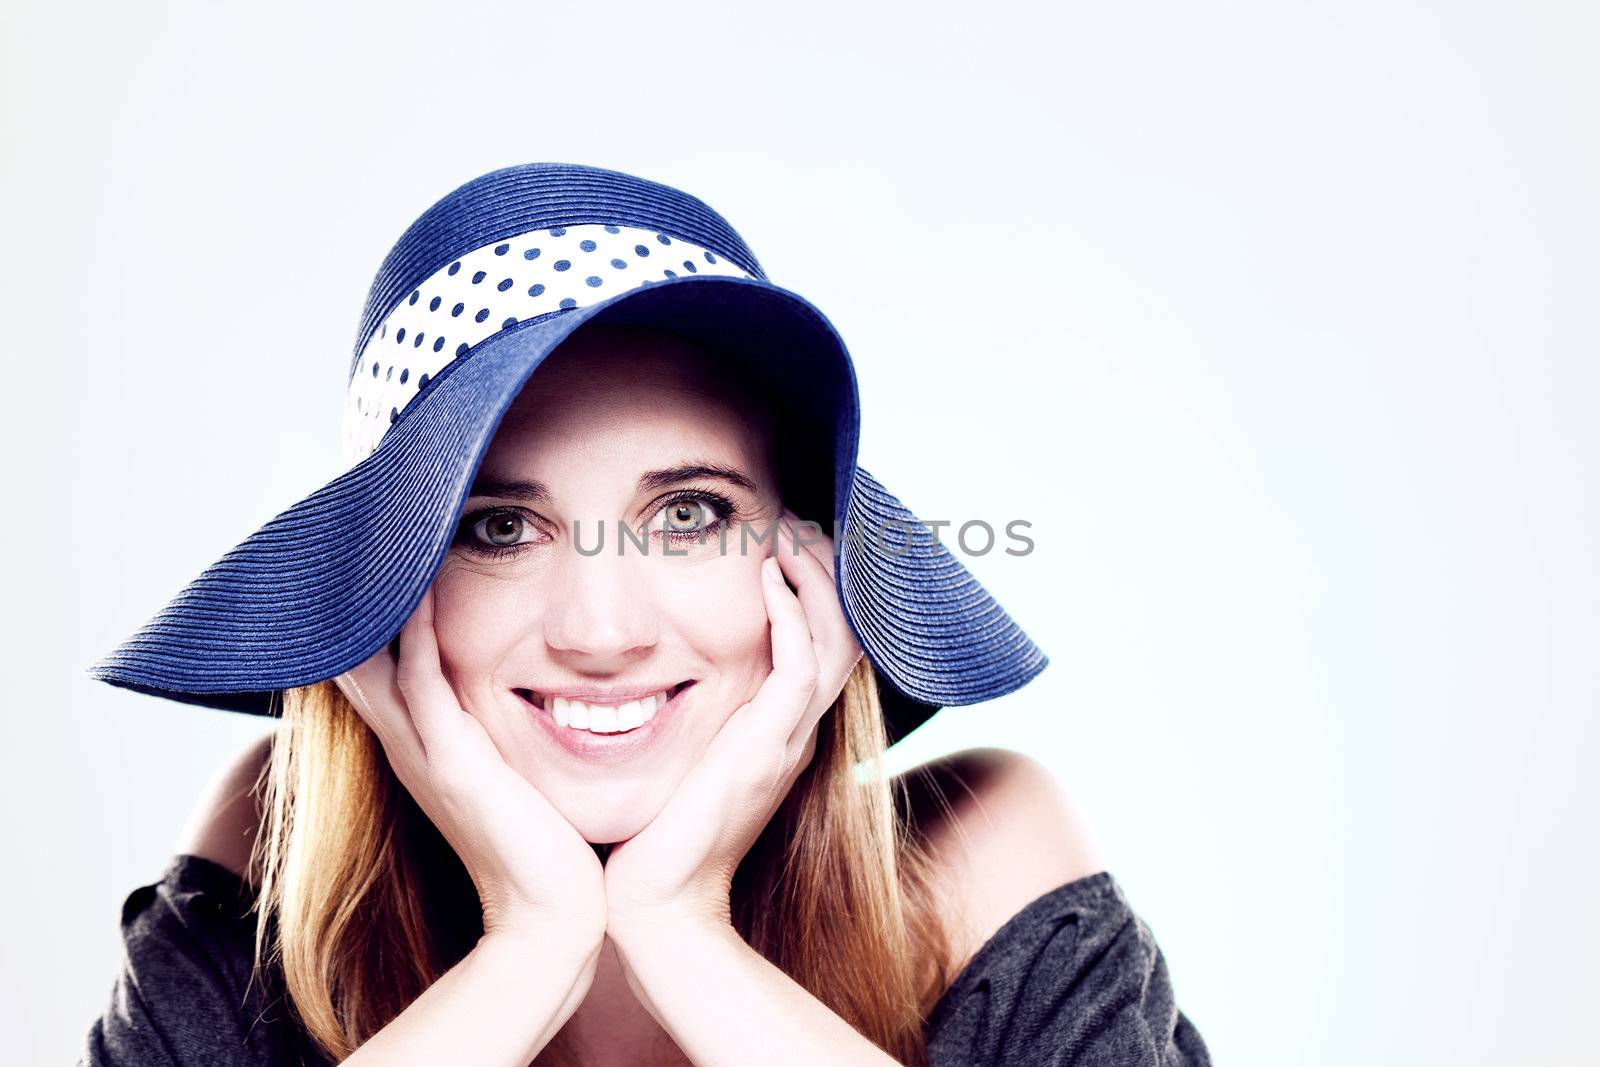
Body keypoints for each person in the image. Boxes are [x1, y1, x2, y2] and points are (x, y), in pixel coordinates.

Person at [80, 162, 1211, 1066]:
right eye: (495, 527)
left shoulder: (975, 853)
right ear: (390, 586)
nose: (602, 629)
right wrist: (529, 938)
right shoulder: (274, 860)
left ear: (808, 565)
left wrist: (682, 924)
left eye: (687, 513)